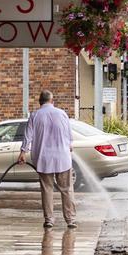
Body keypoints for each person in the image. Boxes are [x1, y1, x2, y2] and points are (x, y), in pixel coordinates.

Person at [18, 90, 76, 229]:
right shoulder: (62, 113)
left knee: (47, 189)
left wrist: (23, 152)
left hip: (43, 158)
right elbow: (69, 136)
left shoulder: (35, 115)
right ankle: (70, 220)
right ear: (52, 100)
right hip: (62, 157)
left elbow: (28, 136)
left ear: (40, 101)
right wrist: (68, 146)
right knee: (67, 189)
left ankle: (49, 219)